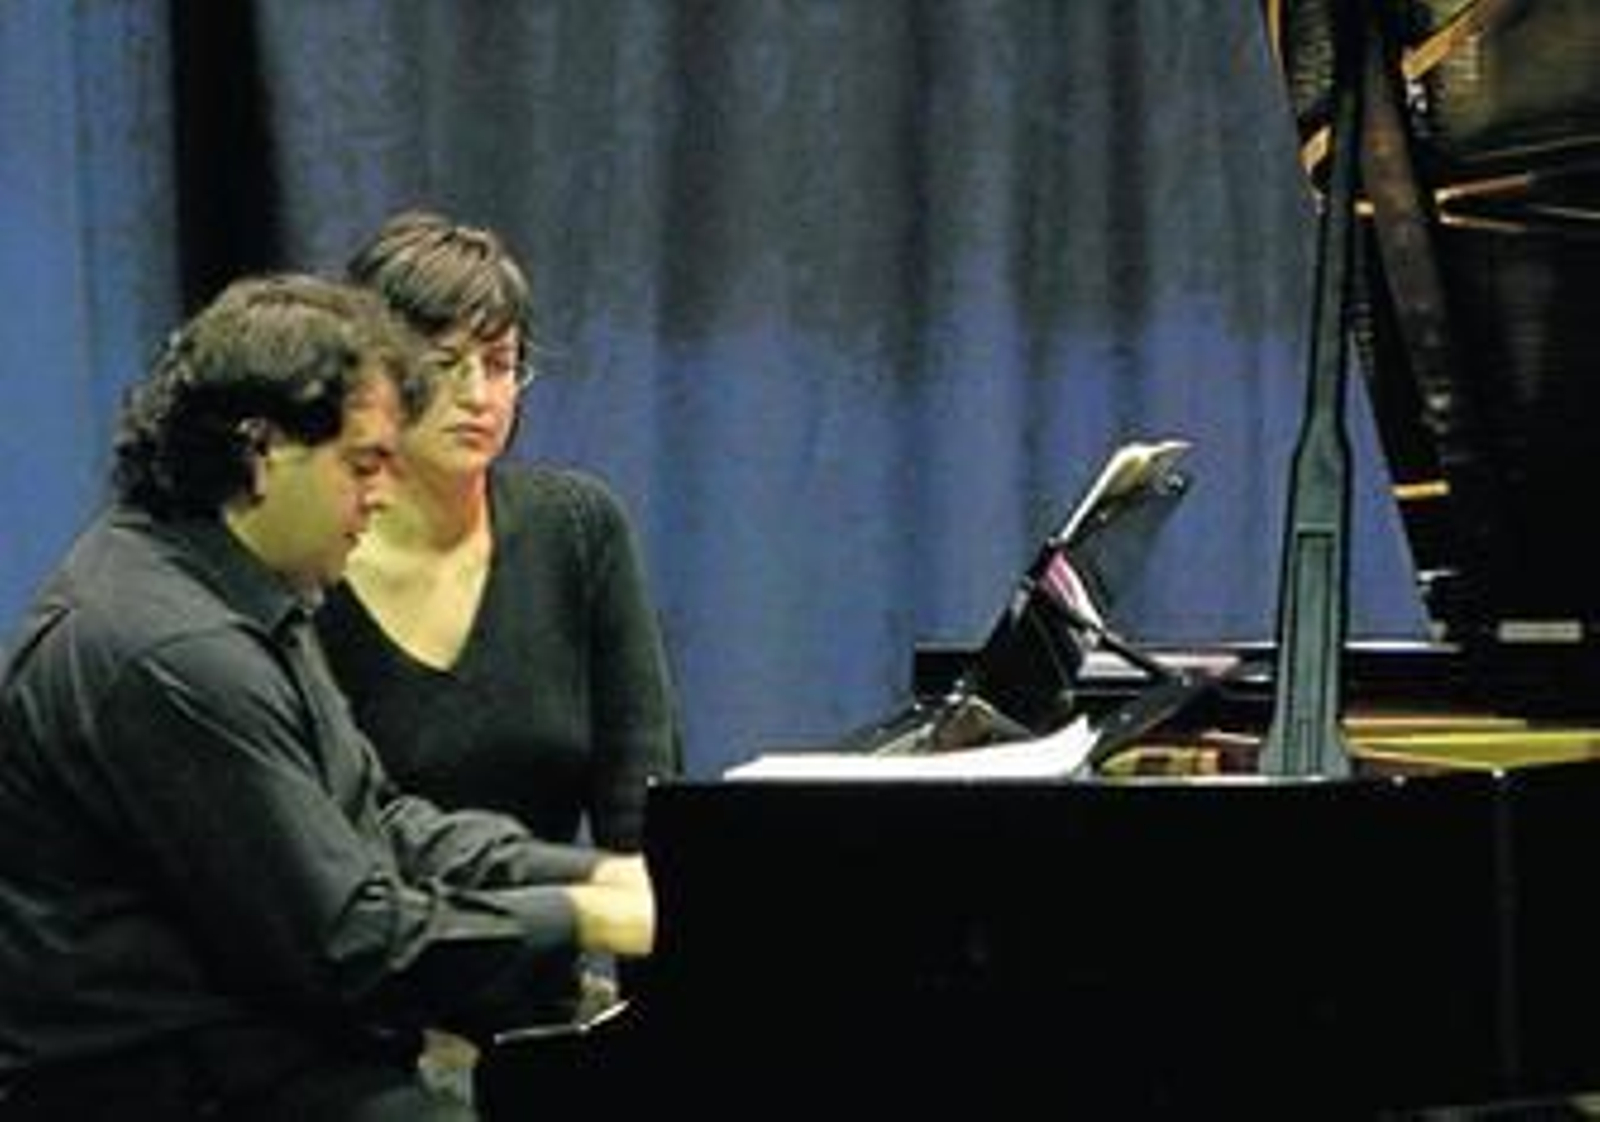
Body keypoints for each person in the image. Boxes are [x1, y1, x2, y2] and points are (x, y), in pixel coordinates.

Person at [0, 274, 654, 1121]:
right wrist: (577, 916)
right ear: (261, 450)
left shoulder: (235, 585)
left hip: (268, 1061)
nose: (381, 495)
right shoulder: (172, 652)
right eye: (364, 464)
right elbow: (352, 947)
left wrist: (603, 871)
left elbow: (376, 822)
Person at [317, 211, 682, 1023]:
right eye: (443, 366)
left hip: (542, 1002)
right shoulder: (311, 560)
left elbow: (643, 813)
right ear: (369, 380)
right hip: (358, 1018)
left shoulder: (578, 530)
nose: (477, 396)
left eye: (500, 364)